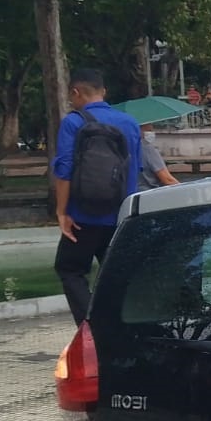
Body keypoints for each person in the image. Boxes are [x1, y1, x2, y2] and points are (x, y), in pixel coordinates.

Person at [51, 68, 143, 325]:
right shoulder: (129, 122)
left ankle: (91, 327)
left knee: (70, 268)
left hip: (83, 215)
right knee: (115, 273)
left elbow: (64, 169)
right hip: (122, 213)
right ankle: (120, 325)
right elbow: (137, 168)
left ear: (76, 92)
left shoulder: (73, 122)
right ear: (104, 91)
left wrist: (62, 212)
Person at [137, 124, 180, 190]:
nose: (152, 133)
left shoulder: (127, 146)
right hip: (149, 192)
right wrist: (184, 190)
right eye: (149, 130)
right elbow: (167, 179)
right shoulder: (147, 148)